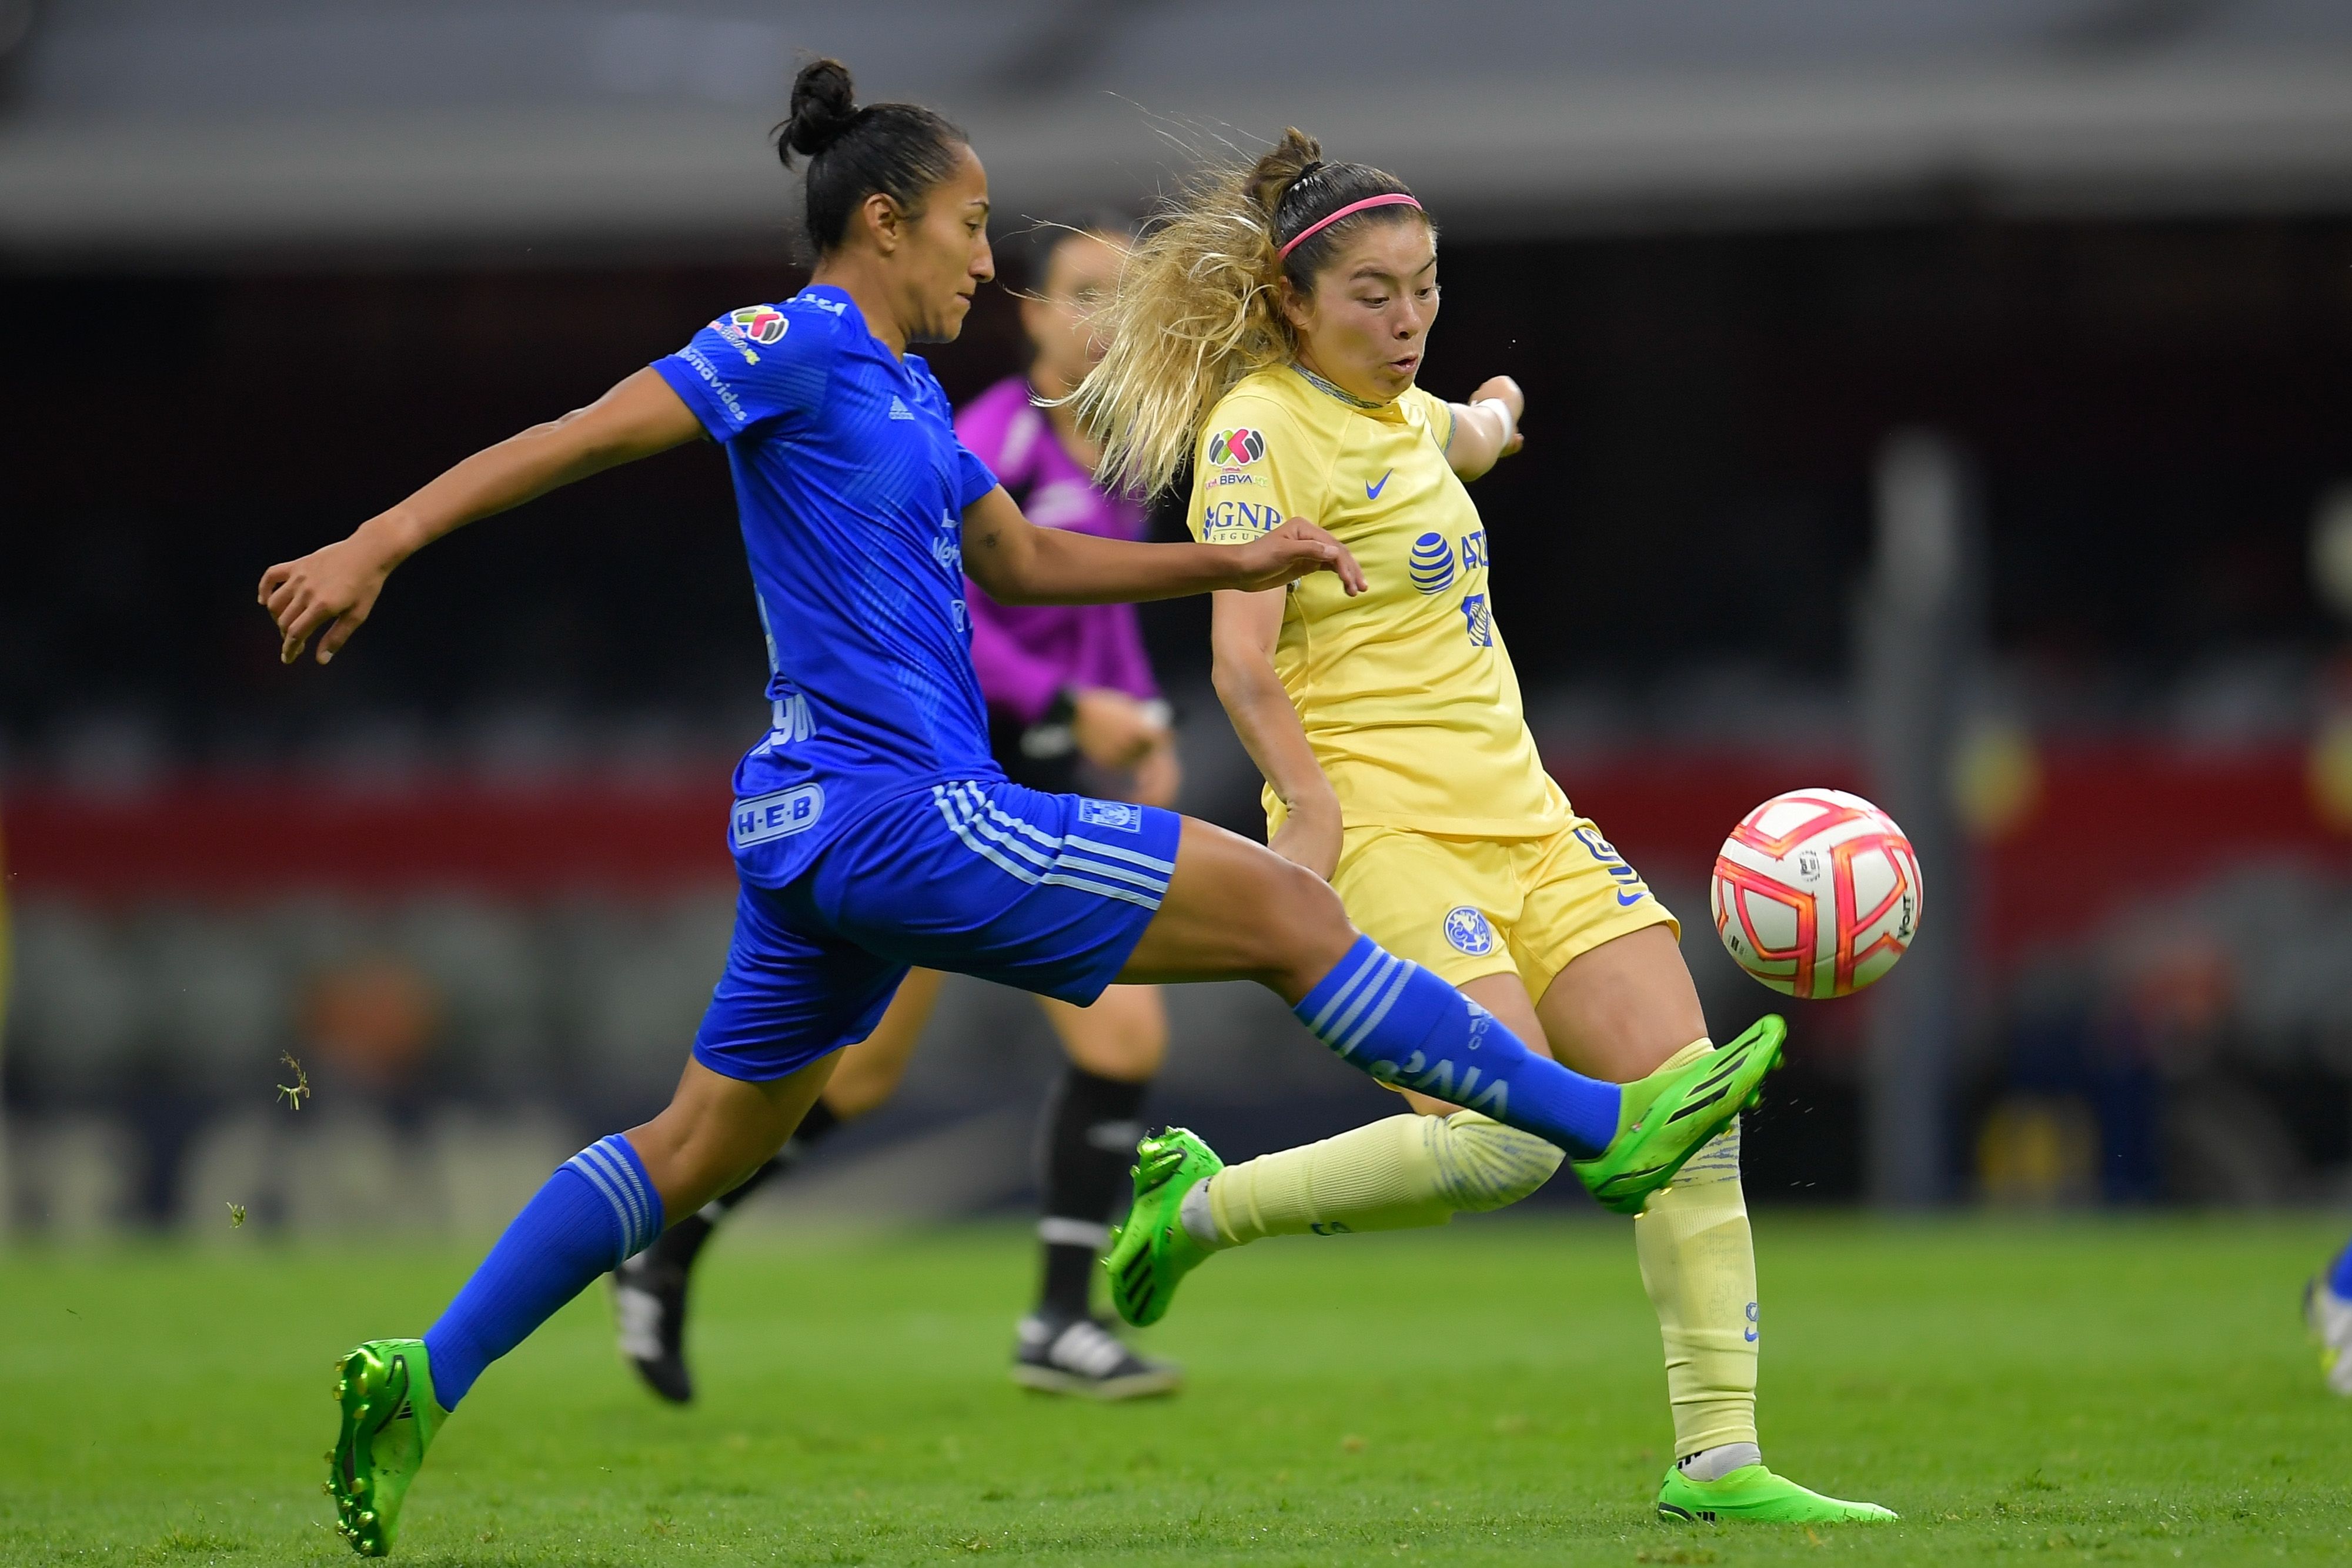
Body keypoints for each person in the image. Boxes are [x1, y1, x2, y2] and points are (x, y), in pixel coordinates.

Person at [262, 63, 1776, 1559]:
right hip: (896, 809)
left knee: (695, 1146)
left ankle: (423, 1374)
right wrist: (374, 543)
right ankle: (1606, 1126)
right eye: (970, 227)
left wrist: (1228, 567)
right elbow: (583, 432)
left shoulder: (915, 394)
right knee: (1284, 908)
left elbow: (1024, 564)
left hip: (808, 839)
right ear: (881, 221)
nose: (990, 263)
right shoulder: (782, 345)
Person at [1065, 129, 1893, 1526]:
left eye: (1426, 289)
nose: (1406, 322)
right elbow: (1239, 663)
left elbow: (1460, 438)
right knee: (1502, 1145)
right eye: (1372, 297)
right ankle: (1197, 1205)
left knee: (1689, 1111)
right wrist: (1310, 809)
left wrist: (1494, 412)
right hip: (1387, 829)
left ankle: (1717, 1460)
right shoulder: (1259, 426)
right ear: (1290, 305)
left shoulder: (1403, 412)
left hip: (1525, 813)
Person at [612, 215, 1185, 1405]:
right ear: (1029, 312)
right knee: (858, 1080)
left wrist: (1138, 715)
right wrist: (1073, 703)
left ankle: (1054, 1326)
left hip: (1038, 776)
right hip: (935, 775)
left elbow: (1099, 625)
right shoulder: (983, 436)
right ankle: (672, 1238)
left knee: (1118, 1038)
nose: (1103, 322)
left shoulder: (1118, 451)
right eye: (1083, 295)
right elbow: (950, 623)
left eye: (1123, 302)